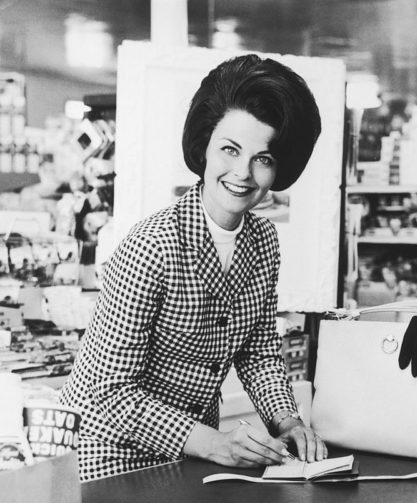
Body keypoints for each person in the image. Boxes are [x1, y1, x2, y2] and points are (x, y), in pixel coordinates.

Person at [59, 54, 326, 481]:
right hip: (107, 455)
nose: (243, 173)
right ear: (204, 146)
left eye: (264, 158)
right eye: (230, 149)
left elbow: (257, 353)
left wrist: (287, 421)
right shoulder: (152, 246)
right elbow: (108, 393)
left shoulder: (264, 242)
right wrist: (216, 443)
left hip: (190, 455)